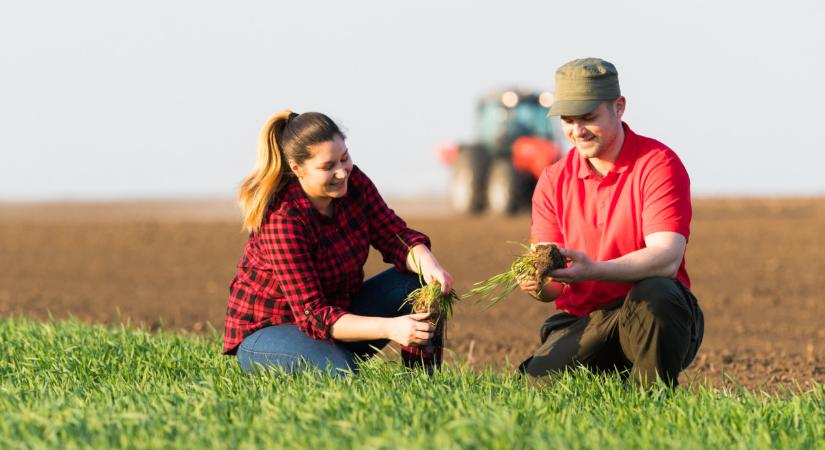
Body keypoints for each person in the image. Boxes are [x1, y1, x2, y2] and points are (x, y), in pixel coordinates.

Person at [223, 110, 454, 375]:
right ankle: (331, 360)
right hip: (270, 331)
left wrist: (428, 263)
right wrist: (392, 328)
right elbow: (316, 315)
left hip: (337, 316)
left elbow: (394, 236)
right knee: (342, 373)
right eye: (328, 166)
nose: (342, 172)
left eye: (344, 158)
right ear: (297, 168)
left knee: (420, 282)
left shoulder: (354, 183)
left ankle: (422, 382)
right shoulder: (283, 218)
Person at [518, 58, 704, 387]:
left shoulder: (657, 164)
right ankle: (612, 380)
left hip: (650, 316)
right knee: (535, 386)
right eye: (568, 120)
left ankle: (651, 402)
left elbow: (667, 257)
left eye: (589, 117)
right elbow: (553, 284)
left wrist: (594, 269)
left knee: (657, 293)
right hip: (583, 321)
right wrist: (537, 285)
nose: (577, 131)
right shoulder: (552, 180)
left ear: (619, 108)